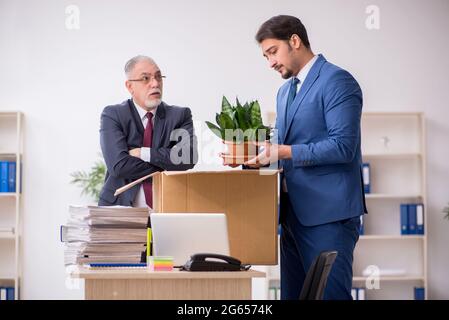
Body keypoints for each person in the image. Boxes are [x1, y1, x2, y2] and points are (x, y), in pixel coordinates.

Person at [245, 15, 367, 300]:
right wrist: (255, 153)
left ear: (295, 41)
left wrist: (283, 151)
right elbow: (289, 143)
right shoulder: (284, 91)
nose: (270, 63)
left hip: (328, 216)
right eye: (265, 56)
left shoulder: (337, 81)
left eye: (273, 52)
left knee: (330, 296)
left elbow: (343, 146)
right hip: (291, 217)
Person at [99, 55, 197, 208]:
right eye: (146, 78)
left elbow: (187, 157)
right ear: (130, 86)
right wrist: (165, 164)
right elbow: (118, 166)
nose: (155, 83)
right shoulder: (113, 115)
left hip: (167, 209)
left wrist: (143, 153)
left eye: (158, 77)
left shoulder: (180, 115)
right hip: (119, 210)